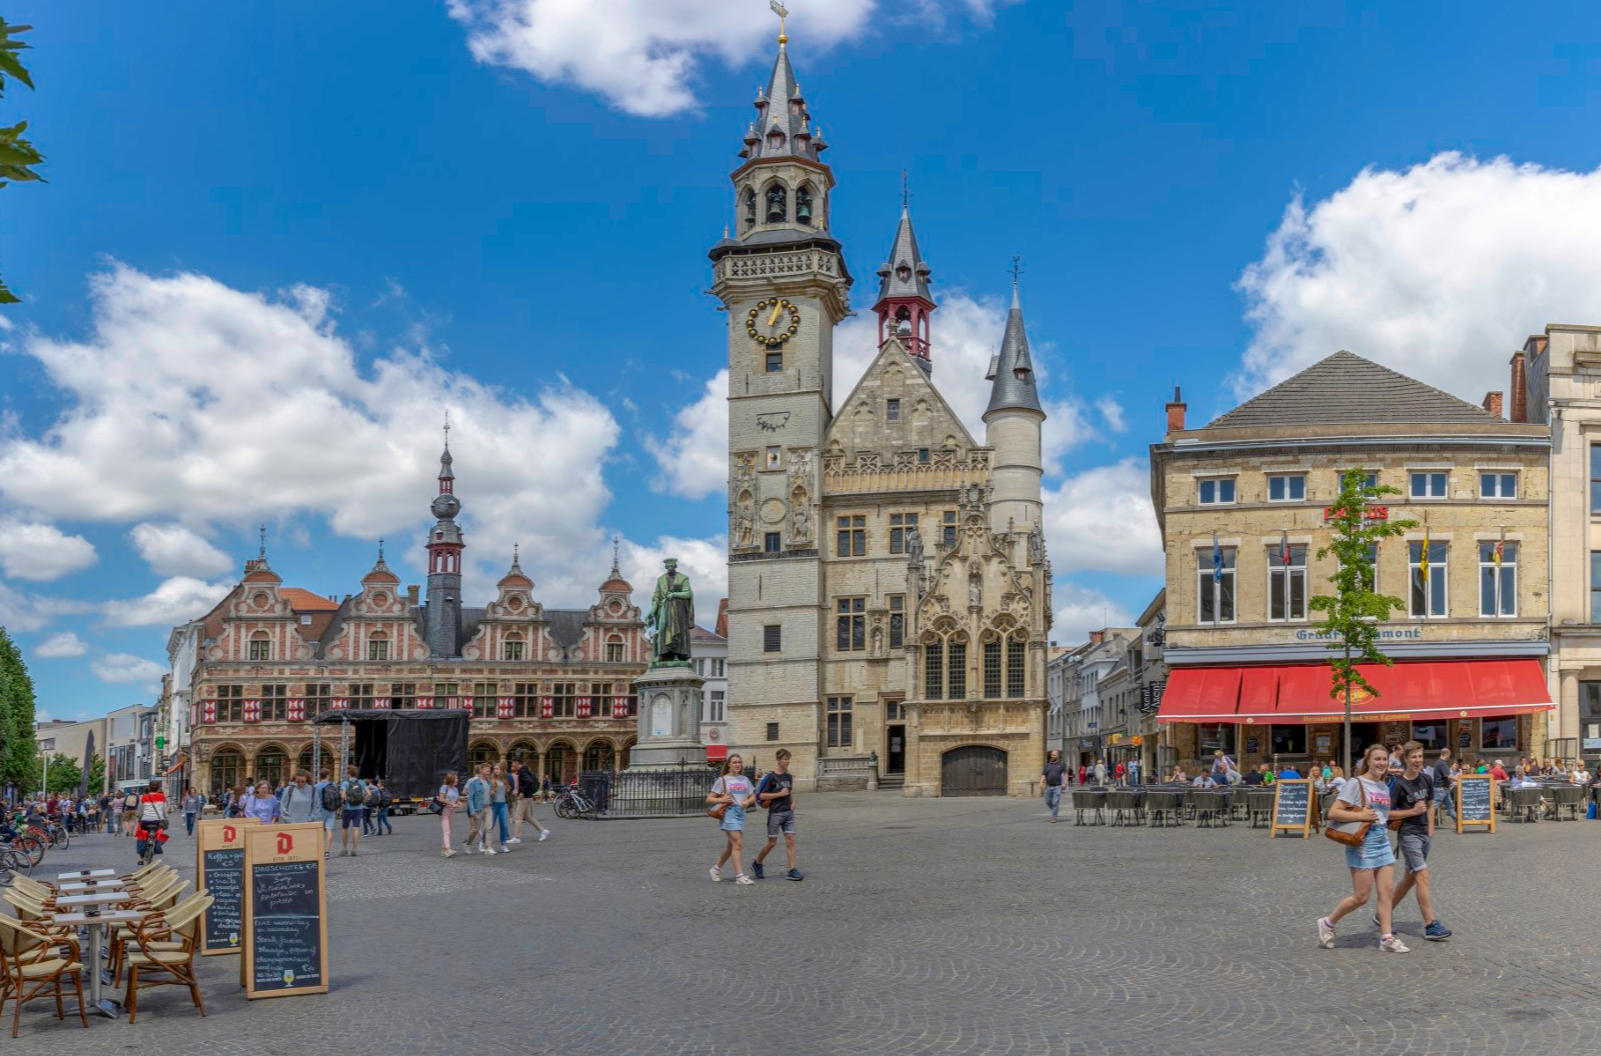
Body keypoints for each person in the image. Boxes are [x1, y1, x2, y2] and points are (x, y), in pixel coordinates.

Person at [1317, 743, 1407, 953]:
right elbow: (1333, 812)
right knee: (1361, 897)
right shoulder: (1355, 783)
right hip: (1363, 842)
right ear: (1368, 761)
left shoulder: (1384, 786)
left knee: (1387, 892)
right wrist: (1360, 815)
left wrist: (1408, 814)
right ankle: (1328, 923)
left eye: (1384, 759)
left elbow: (1383, 814)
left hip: (1382, 839)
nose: (1381, 763)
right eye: (1377, 759)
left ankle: (1386, 938)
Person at [1384, 741, 1451, 942]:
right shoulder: (1398, 784)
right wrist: (1411, 812)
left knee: (1410, 879)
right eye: (1413, 757)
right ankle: (1431, 924)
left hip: (1423, 834)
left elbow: (1431, 805)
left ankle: (1382, 914)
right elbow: (1386, 813)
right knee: (1422, 876)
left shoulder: (1426, 779)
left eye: (1420, 757)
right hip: (1408, 834)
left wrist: (1430, 829)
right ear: (1405, 759)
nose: (1418, 761)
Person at [707, 753, 758, 885]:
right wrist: (721, 799)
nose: (737, 764)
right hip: (729, 813)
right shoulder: (723, 780)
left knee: (731, 846)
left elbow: (753, 796)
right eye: (734, 762)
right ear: (729, 765)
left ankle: (715, 869)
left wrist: (748, 801)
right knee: (738, 843)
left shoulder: (745, 780)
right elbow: (709, 799)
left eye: (739, 762)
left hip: (741, 813)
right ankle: (739, 877)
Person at [752, 748, 802, 880]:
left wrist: (793, 801)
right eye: (785, 759)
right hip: (775, 813)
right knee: (772, 843)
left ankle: (792, 869)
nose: (788, 761)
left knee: (790, 840)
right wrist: (779, 794)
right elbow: (760, 795)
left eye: (788, 759)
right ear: (778, 760)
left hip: (788, 813)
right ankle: (757, 863)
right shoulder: (771, 777)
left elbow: (789, 791)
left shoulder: (789, 777)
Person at [509, 761, 550, 843]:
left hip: (524, 797)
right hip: (528, 796)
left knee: (518, 817)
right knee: (528, 817)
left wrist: (522, 792)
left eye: (513, 763)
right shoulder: (525, 770)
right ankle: (543, 831)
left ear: (517, 763)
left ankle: (517, 837)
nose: (512, 765)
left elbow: (529, 781)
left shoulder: (522, 771)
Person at [463, 763, 494, 855]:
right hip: (478, 809)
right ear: (481, 771)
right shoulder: (474, 783)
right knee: (475, 829)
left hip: (488, 807)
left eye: (489, 770)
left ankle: (488, 847)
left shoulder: (489, 782)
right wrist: (472, 811)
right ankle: (467, 843)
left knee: (489, 827)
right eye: (486, 769)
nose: (489, 771)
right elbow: (470, 798)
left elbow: (489, 794)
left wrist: (492, 794)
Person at [339, 765, 369, 857]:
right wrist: (363, 800)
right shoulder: (362, 782)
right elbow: (369, 794)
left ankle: (344, 849)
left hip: (348, 809)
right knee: (356, 828)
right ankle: (355, 849)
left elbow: (343, 796)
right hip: (359, 808)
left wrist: (345, 800)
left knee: (345, 828)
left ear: (349, 774)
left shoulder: (345, 783)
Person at [135, 779, 169, 862]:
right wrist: (165, 817)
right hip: (158, 822)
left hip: (145, 821)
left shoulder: (144, 797)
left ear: (149, 788)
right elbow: (165, 811)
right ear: (158, 788)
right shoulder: (162, 797)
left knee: (142, 836)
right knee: (159, 833)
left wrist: (139, 817)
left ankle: (141, 857)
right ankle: (156, 846)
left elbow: (140, 810)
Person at [313, 768, 338, 859]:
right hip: (331, 810)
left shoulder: (316, 786)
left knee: (319, 831)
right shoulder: (333, 785)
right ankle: (327, 852)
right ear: (328, 775)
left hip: (320, 810)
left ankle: (319, 850)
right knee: (329, 830)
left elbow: (314, 800)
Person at [489, 764, 513, 853]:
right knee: (490, 825)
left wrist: (509, 789)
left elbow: (509, 789)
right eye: (494, 769)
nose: (496, 770)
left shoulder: (505, 780)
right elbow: (487, 793)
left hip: (503, 804)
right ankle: (483, 842)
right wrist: (491, 793)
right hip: (494, 805)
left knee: (504, 825)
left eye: (497, 769)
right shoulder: (491, 780)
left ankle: (503, 844)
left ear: (502, 770)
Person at [437, 772, 460, 858]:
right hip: (445, 811)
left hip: (452, 811)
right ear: (451, 779)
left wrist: (458, 804)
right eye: (456, 778)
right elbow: (441, 798)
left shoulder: (456, 789)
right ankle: (448, 849)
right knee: (446, 831)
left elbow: (457, 801)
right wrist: (450, 803)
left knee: (449, 830)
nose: (457, 780)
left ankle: (444, 850)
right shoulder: (444, 787)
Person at [1039, 750, 1067, 823]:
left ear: (1058, 756)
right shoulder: (1048, 765)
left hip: (1057, 786)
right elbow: (1044, 774)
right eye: (1052, 755)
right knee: (1048, 801)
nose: (1052, 756)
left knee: (1055, 802)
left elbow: (1065, 774)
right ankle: (1055, 809)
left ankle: (1054, 817)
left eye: (1054, 755)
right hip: (1049, 786)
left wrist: (1064, 783)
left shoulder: (1062, 764)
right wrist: (1041, 782)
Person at [1430, 749, 1456, 828]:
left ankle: (1458, 822)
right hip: (1441, 789)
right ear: (1447, 754)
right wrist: (1458, 779)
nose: (1449, 757)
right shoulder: (1442, 763)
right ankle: (1425, 823)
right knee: (1434, 806)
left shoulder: (1439, 762)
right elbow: (1447, 775)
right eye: (1449, 755)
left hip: (1444, 789)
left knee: (1450, 806)